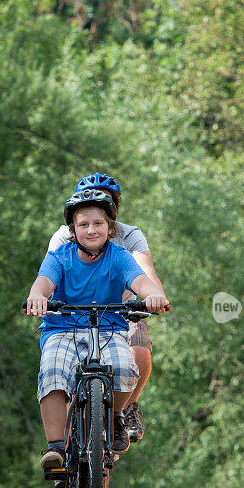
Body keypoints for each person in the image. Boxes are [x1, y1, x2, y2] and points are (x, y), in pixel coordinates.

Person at [26, 189, 169, 471]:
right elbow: (42, 282)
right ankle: (55, 448)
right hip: (62, 329)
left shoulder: (119, 256)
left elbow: (140, 280)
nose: (91, 230)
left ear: (110, 227)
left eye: (98, 224)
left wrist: (152, 295)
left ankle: (115, 415)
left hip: (109, 329)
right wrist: (38, 297)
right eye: (83, 225)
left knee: (125, 369)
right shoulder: (60, 256)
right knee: (53, 371)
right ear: (72, 230)